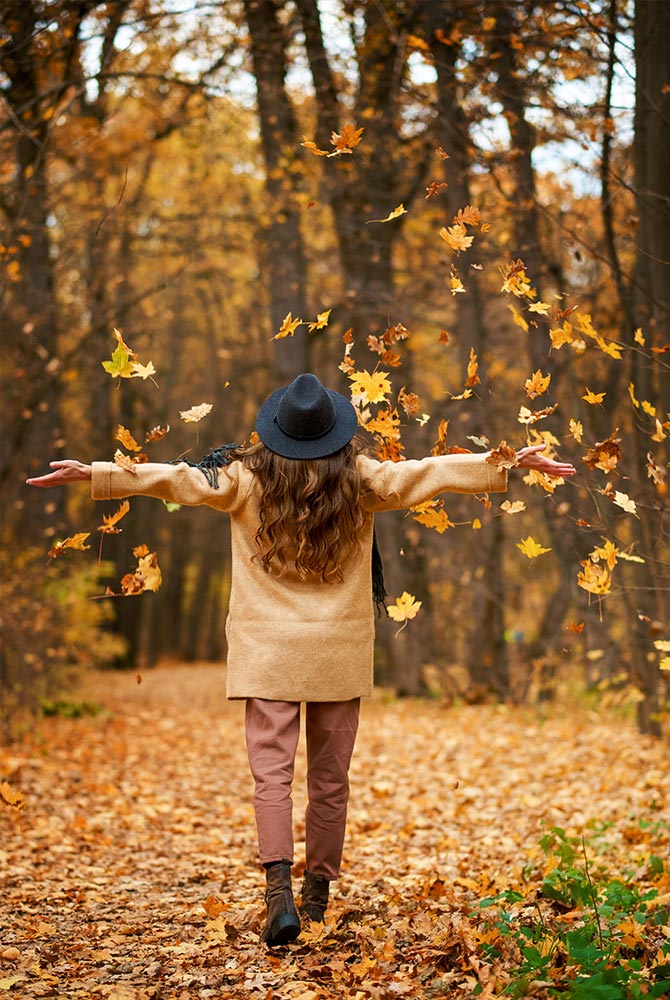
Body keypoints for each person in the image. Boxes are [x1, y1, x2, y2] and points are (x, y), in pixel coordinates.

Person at [27, 372, 576, 947]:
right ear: (335, 433)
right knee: (329, 779)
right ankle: (317, 897)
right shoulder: (359, 480)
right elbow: (427, 473)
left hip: (267, 652)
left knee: (272, 776)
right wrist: (506, 461)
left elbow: (181, 481)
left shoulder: (244, 479)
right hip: (336, 650)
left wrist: (101, 473)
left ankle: (278, 896)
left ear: (276, 432)